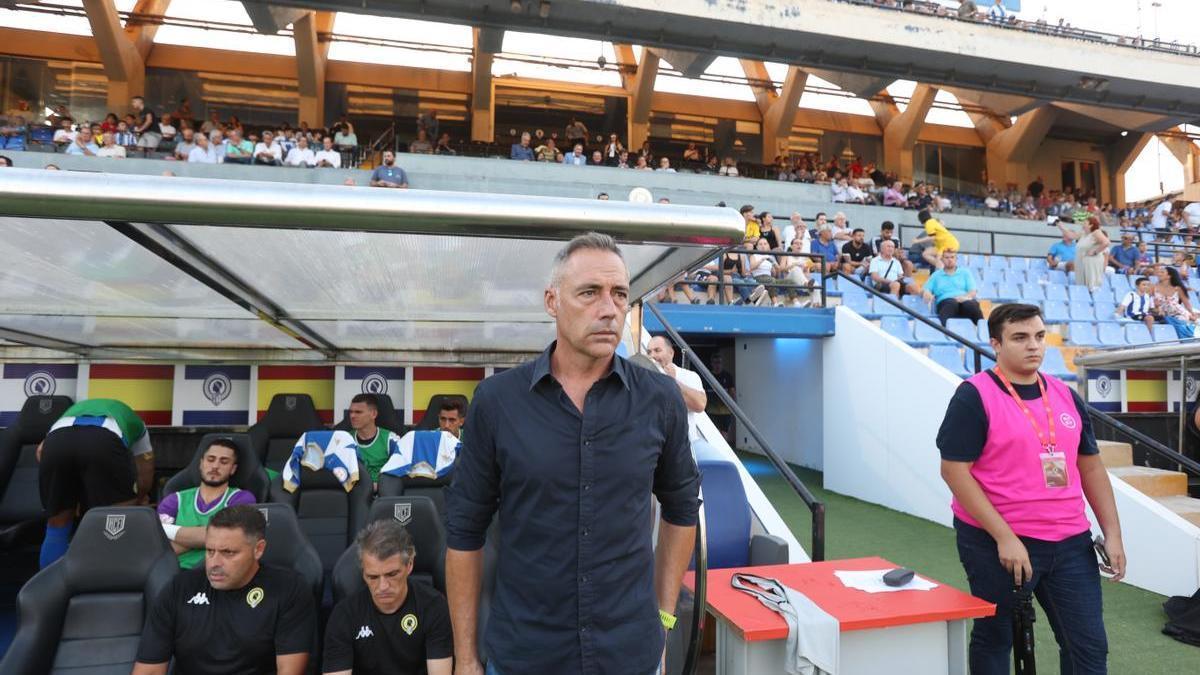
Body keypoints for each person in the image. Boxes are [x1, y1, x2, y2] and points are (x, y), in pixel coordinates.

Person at [444, 233, 700, 675]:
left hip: (630, 655)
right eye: (589, 293)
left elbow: (681, 509)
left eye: (619, 294)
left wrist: (662, 619)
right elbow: (465, 533)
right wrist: (465, 658)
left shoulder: (659, 400)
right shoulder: (496, 401)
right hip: (526, 655)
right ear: (552, 301)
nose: (609, 308)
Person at [937, 303, 1124, 675]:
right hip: (996, 543)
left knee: (1088, 646)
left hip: (1071, 542)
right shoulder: (973, 396)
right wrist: (1005, 537)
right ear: (996, 344)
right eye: (1020, 338)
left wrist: (1114, 534)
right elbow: (954, 472)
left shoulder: (1065, 394)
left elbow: (1090, 466)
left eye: (1039, 336)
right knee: (995, 638)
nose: (1033, 346)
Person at [133, 506, 316, 675]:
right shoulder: (179, 588)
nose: (214, 563)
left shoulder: (288, 589)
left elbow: (289, 671)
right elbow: (149, 670)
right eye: (209, 551)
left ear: (258, 550)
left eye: (228, 553)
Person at [323, 521, 453, 675]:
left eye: (392, 574)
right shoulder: (344, 615)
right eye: (373, 577)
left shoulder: (434, 606)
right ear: (363, 572)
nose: (383, 586)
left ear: (409, 565)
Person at [37, 398, 155, 568]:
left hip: (57, 443)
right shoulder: (139, 426)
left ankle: (46, 589)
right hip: (103, 439)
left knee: (57, 524)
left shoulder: (65, 418)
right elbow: (146, 470)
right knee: (116, 522)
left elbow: (41, 451)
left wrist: (63, 492)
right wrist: (139, 497)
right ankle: (108, 583)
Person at [157, 438, 257, 569]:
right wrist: (202, 537)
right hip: (176, 572)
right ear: (201, 463)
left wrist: (165, 529)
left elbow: (224, 538)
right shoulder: (175, 500)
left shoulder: (241, 498)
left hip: (220, 572)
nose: (215, 466)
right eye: (210, 459)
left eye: (224, 461)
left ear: (233, 469)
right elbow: (159, 547)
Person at [647, 336, 707, 443]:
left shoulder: (689, 376)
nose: (652, 356)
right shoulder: (644, 378)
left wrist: (672, 381)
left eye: (657, 350)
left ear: (671, 353)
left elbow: (700, 405)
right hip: (653, 444)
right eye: (649, 352)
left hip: (683, 446)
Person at [348, 394, 403, 484]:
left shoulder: (390, 440)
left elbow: (402, 470)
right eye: (351, 412)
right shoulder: (345, 440)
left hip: (384, 494)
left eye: (358, 412)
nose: (352, 416)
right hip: (356, 493)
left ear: (374, 414)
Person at [923, 249, 983, 325]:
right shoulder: (936, 275)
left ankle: (985, 332)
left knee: (971, 305)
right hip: (946, 302)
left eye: (952, 257)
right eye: (947, 257)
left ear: (956, 259)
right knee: (951, 303)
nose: (950, 260)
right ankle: (944, 332)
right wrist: (927, 292)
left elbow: (972, 291)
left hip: (964, 300)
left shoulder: (965, 272)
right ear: (942, 259)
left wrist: (964, 297)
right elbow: (926, 289)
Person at [1152, 264, 1196, 339]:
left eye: (1162, 272)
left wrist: (1192, 313)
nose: (1159, 274)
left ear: (1169, 276)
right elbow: (1149, 301)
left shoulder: (1177, 288)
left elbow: (1186, 303)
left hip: (1178, 313)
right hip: (1163, 313)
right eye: (1159, 272)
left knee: (1182, 321)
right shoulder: (1154, 287)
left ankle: (1187, 339)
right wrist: (1155, 306)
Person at [703, 353, 736, 444]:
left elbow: (732, 392)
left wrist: (732, 407)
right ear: (712, 363)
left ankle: (725, 453)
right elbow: (703, 392)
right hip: (711, 410)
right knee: (714, 433)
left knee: (724, 433)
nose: (717, 365)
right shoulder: (707, 376)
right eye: (715, 362)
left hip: (725, 411)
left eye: (719, 362)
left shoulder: (727, 376)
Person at [1072, 217, 1110, 290]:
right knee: (1082, 285)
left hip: (1092, 261)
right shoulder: (1083, 234)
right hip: (1082, 262)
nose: (1083, 224)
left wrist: (1095, 251)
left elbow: (1106, 242)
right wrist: (1060, 226)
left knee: (1092, 284)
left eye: (1085, 222)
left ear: (1091, 225)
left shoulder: (1096, 232)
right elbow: (1071, 236)